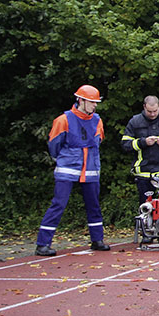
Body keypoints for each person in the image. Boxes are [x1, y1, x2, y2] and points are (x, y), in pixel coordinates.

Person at [35, 85, 111, 256]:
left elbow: (98, 141)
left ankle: (97, 240)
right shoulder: (63, 120)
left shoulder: (97, 120)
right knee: (58, 204)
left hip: (90, 168)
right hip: (68, 169)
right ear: (81, 100)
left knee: (94, 205)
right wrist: (66, 159)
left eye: (96, 102)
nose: (94, 106)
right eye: (91, 102)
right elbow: (54, 145)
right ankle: (42, 243)